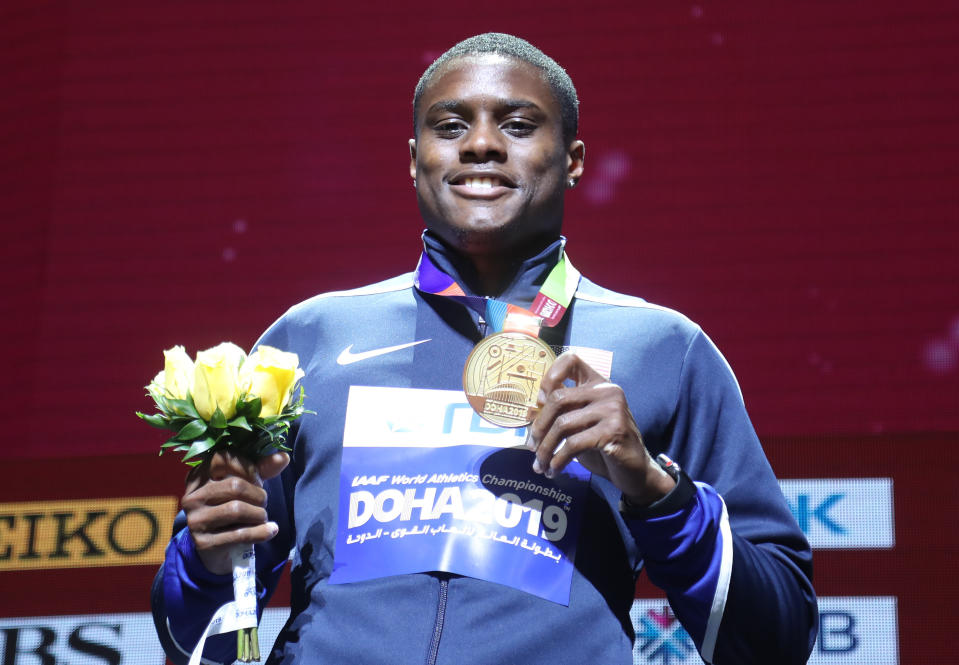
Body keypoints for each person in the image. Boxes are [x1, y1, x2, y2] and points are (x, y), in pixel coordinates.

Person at [152, 33, 817, 664]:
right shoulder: (310, 338)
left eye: (518, 125)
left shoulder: (662, 349)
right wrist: (210, 560)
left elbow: (775, 638)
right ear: (415, 160)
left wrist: (655, 490)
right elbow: (195, 642)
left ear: (573, 160)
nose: (480, 145)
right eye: (449, 126)